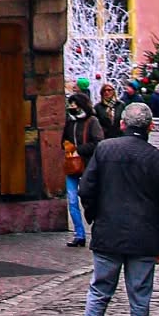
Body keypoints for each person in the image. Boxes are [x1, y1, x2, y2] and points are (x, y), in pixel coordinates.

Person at [76, 100, 159, 316]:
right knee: (140, 297)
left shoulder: (105, 149)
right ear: (151, 127)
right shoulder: (158, 159)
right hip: (143, 238)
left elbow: (86, 188)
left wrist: (94, 217)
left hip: (108, 233)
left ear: (122, 124)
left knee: (99, 292)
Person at [63, 89, 105, 248]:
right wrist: (67, 146)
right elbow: (64, 139)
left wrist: (79, 150)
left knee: (90, 199)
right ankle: (79, 235)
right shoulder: (70, 121)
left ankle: (97, 231)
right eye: (70, 104)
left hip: (88, 166)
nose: (72, 107)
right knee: (72, 201)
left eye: (75, 104)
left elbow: (98, 142)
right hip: (72, 166)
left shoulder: (92, 121)